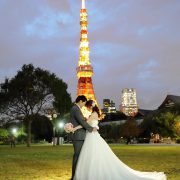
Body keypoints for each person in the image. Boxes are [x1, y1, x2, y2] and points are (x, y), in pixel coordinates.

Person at [73, 100, 167, 180]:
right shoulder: (96, 114)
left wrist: (74, 128)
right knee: (95, 155)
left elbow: (84, 124)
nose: (86, 109)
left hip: (92, 137)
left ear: (90, 106)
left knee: (92, 155)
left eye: (87, 107)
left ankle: (91, 174)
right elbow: (91, 125)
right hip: (93, 136)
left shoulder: (93, 114)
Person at [70, 95, 97, 180]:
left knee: (79, 156)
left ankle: (77, 175)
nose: (83, 105)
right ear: (81, 101)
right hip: (78, 136)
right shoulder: (75, 109)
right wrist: (91, 128)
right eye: (84, 103)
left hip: (80, 135)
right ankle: (74, 176)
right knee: (77, 156)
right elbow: (81, 121)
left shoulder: (76, 109)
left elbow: (81, 122)